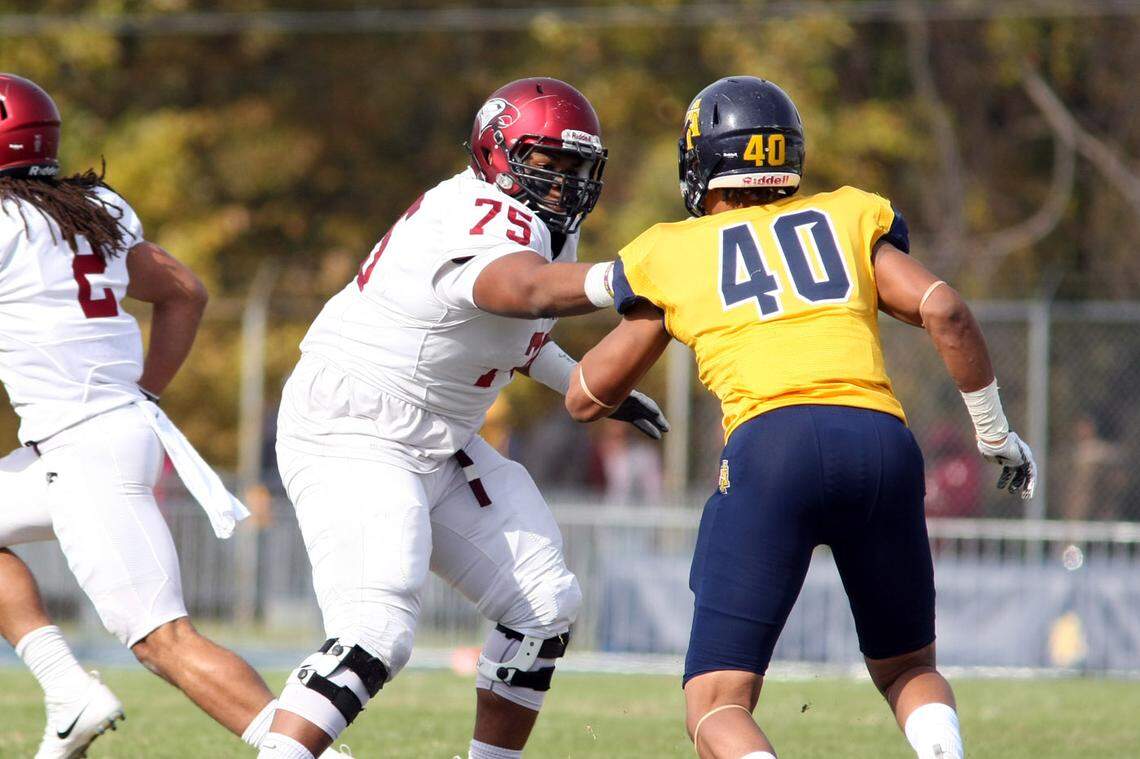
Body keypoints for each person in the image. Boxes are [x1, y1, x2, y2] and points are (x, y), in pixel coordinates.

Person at [565, 76, 1038, 759]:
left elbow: (585, 395)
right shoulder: (848, 215)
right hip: (881, 442)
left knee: (715, 703)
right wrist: (994, 432)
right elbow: (944, 308)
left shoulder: (674, 249)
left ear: (701, 164)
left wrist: (631, 329)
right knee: (908, 668)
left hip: (773, 446)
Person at [262, 77, 668, 759]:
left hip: (437, 437)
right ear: (497, 152)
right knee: (376, 630)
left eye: (576, 166)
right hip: (355, 427)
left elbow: (518, 335)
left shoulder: (543, 229)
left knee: (544, 604)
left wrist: (586, 382)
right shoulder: (479, 211)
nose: (564, 180)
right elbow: (521, 290)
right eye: (547, 160)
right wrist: (626, 278)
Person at [0, 74, 346, 759]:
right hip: (101, 435)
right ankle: (68, 692)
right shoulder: (88, 206)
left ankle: (319, 756)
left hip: (83, 446)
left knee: (167, 642)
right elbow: (184, 291)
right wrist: (146, 392)